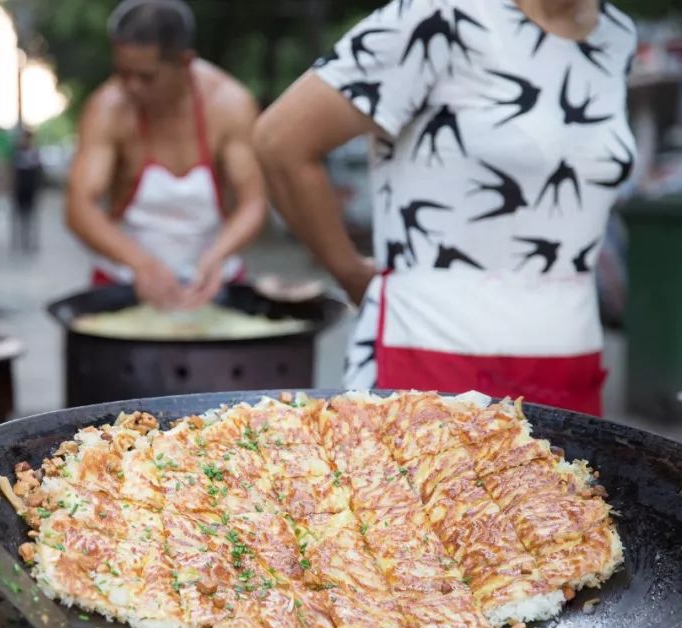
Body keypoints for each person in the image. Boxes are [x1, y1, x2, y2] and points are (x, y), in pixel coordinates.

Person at [255, 0, 636, 415]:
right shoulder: (440, 14)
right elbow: (280, 142)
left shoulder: (616, 35)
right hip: (433, 349)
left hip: (571, 356)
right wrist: (349, 273)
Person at [66, 0, 267, 310]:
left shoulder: (230, 105)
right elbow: (80, 207)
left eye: (146, 77)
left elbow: (253, 203)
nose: (132, 87)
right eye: (123, 73)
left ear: (186, 63)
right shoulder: (108, 108)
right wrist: (141, 265)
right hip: (124, 281)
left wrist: (216, 256)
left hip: (214, 282)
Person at [11, 129, 42, 253]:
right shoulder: (17, 152)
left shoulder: (34, 154)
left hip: (31, 189)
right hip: (19, 189)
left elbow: (39, 173)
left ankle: (30, 242)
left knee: (31, 217)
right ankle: (18, 241)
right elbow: (12, 171)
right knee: (18, 216)